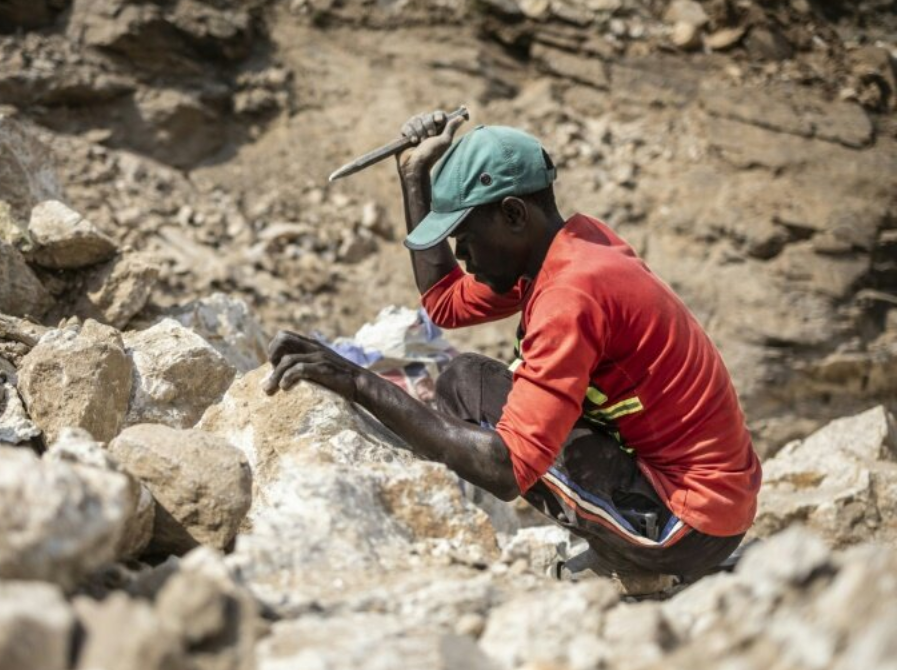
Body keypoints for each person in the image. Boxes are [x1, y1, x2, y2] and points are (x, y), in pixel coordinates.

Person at [263, 110, 761, 582]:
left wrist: (352, 378)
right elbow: (445, 303)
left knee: (498, 434)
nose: (461, 255)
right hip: (698, 490)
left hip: (691, 521)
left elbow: (506, 471)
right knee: (465, 383)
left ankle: (642, 558)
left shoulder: (571, 295)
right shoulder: (572, 246)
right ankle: (625, 542)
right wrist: (415, 174)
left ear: (513, 214)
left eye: (465, 237)